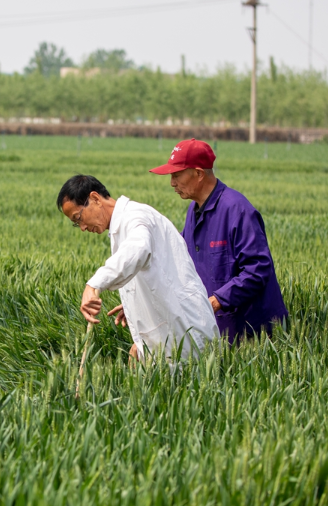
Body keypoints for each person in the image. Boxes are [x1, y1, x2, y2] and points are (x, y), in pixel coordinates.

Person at [57, 174, 219, 362]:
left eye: (79, 218)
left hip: (186, 333)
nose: (83, 227)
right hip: (171, 335)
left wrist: (94, 285)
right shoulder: (122, 225)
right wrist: (135, 306)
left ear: (95, 198)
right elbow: (153, 273)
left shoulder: (136, 217)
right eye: (76, 224)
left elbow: (138, 250)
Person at [149, 138, 288, 342]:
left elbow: (258, 269)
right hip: (219, 328)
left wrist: (217, 301)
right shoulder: (194, 210)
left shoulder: (237, 210)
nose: (172, 182)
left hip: (253, 333)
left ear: (198, 173)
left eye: (177, 175)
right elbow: (178, 254)